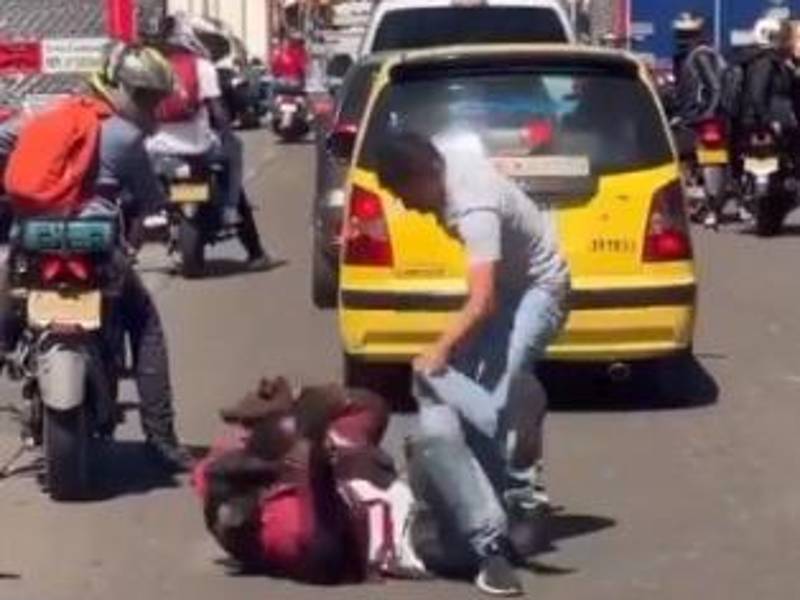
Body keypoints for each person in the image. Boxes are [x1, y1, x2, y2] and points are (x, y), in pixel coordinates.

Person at [376, 130, 569, 594]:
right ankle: (501, 483)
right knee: (452, 394)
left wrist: (441, 346)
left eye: (404, 192)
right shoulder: (446, 163)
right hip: (505, 291)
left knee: (499, 392)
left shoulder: (472, 206)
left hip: (539, 289)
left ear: (424, 174)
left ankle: (517, 442)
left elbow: (481, 301)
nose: (406, 205)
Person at [0, 43, 191, 471]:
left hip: (33, 242)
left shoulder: (42, 117)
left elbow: (2, 143)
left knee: (8, 307)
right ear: (118, 86)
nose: (149, 107)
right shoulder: (125, 137)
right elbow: (151, 201)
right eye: (145, 97)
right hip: (96, 248)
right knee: (145, 324)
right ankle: (161, 440)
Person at [194, 376, 540, 595]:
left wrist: (305, 397)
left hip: (416, 494)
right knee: (433, 445)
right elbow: (323, 558)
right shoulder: (279, 514)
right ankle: (495, 531)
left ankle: (509, 486)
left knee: (444, 426)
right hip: (414, 542)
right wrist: (313, 471)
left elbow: (373, 407)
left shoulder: (338, 439)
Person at [149, 12, 272, 267]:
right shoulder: (202, 67)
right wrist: (227, 134)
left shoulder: (152, 66)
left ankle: (139, 228)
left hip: (157, 148)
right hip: (198, 147)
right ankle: (242, 231)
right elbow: (218, 110)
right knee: (233, 154)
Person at [672, 12, 725, 125]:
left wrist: (707, 115)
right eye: (681, 33)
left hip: (697, 118)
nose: (683, 38)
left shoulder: (700, 55)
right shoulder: (684, 57)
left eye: (687, 34)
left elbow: (715, 87)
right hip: (688, 116)